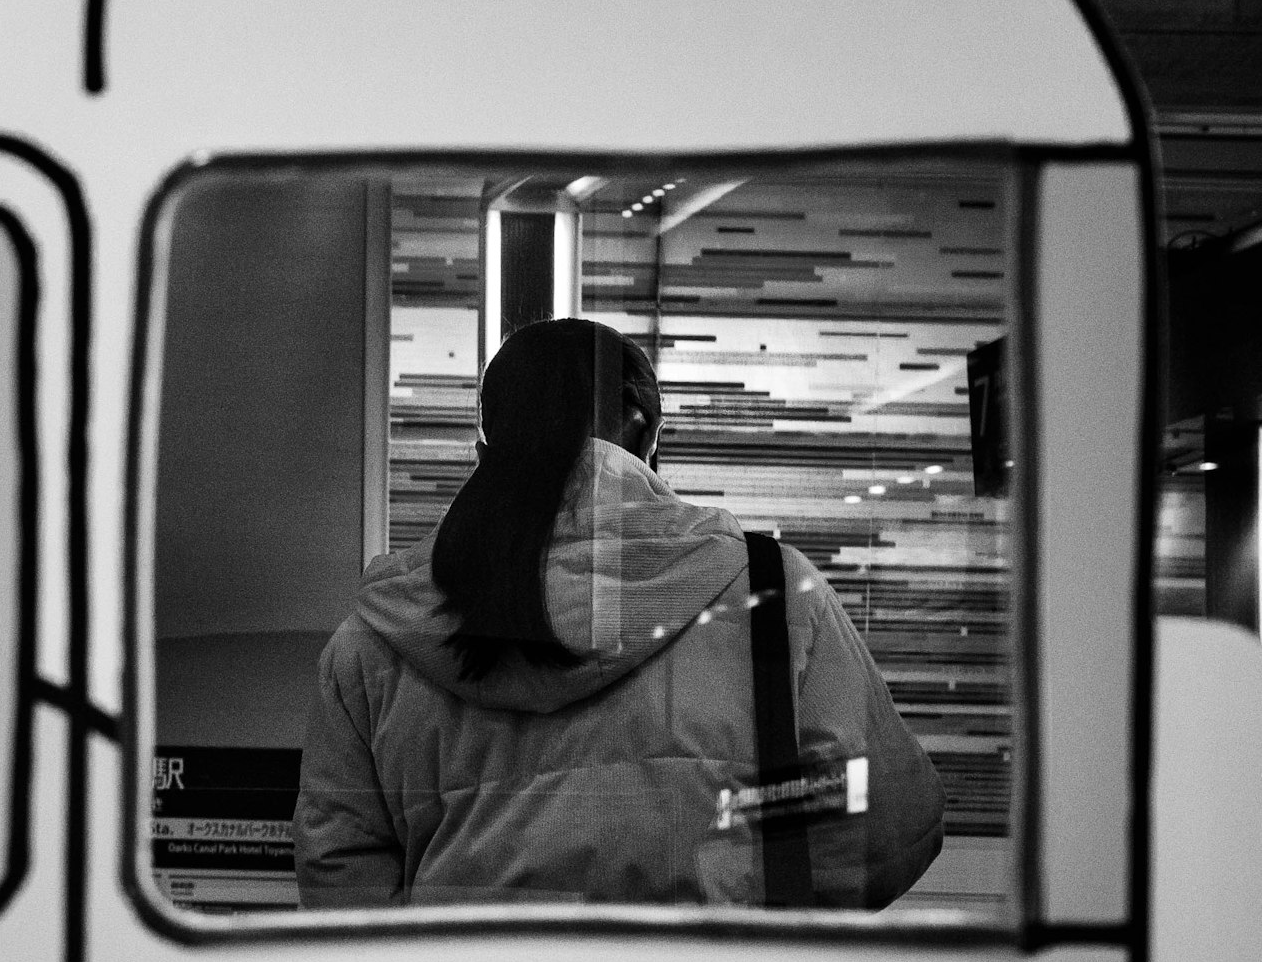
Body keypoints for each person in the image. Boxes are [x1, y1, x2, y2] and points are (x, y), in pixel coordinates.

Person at [294, 315, 940, 908]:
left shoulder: (377, 638)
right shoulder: (774, 597)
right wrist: (746, 913)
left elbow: (340, 881)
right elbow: (889, 830)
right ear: (649, 434)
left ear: (485, 448)